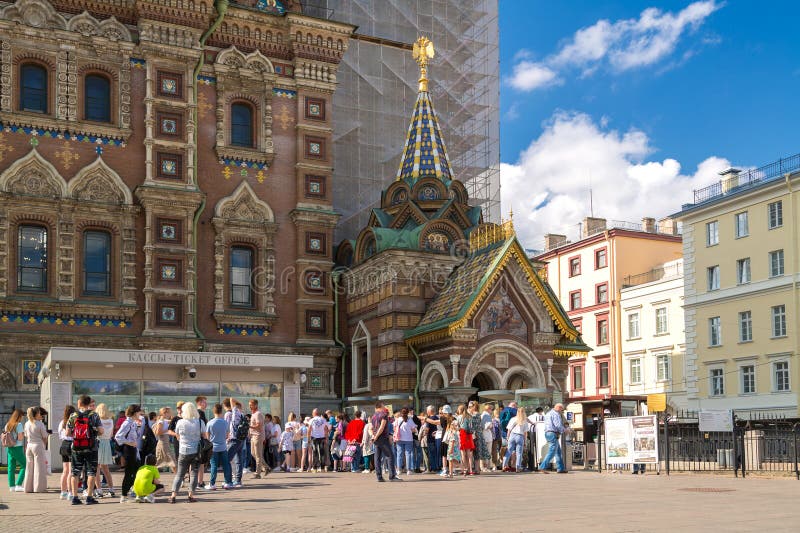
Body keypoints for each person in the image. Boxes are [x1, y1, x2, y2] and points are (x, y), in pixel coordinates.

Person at [66, 395, 104, 505]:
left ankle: (74, 497)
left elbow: (67, 433)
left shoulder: (73, 415)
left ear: (80, 403)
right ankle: (89, 497)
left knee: (75, 472)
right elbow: (101, 431)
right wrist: (94, 431)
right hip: (91, 447)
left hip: (76, 448)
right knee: (91, 472)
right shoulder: (94, 415)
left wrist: (76, 433)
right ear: (88, 404)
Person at [169, 402, 208, 503]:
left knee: (180, 474)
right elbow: (204, 436)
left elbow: (177, 436)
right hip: (196, 451)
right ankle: (191, 495)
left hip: (183, 450)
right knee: (194, 473)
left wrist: (183, 440)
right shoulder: (200, 422)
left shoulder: (180, 422)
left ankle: (173, 496)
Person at [115, 404, 144, 502]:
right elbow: (118, 436)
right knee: (129, 473)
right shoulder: (127, 423)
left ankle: (135, 493)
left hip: (134, 450)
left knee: (137, 473)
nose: (141, 413)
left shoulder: (133, 422)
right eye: (139, 412)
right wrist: (130, 443)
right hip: (129, 450)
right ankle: (123, 495)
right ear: (135, 412)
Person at [370, 402, 400, 482]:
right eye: (383, 406)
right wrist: (376, 436)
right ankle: (392, 476)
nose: (384, 408)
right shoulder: (383, 415)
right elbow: (382, 427)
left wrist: (373, 436)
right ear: (380, 407)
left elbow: (372, 428)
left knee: (377, 458)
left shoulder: (373, 416)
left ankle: (379, 477)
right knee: (390, 456)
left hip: (376, 439)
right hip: (382, 438)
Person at [206, 403, 233, 490]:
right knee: (226, 465)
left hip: (213, 448)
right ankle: (227, 483)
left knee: (213, 466)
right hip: (223, 447)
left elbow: (207, 437)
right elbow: (227, 435)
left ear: (213, 411)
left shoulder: (210, 423)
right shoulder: (225, 423)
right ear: (221, 412)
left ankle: (212, 484)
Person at [23, 406, 49, 493]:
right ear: (37, 414)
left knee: (29, 467)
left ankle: (27, 487)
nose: (40, 414)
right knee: (39, 467)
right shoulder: (40, 424)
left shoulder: (26, 423)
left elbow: (26, 435)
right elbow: (45, 436)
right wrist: (44, 444)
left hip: (29, 445)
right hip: (38, 445)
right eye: (39, 413)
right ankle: (39, 488)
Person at [94, 403, 116, 498]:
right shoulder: (111, 420)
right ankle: (111, 489)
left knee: (96, 468)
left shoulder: (97, 420)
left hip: (98, 442)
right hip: (107, 443)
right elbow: (111, 434)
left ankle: (99, 490)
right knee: (105, 468)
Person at [538, 404, 567, 474]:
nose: (561, 411)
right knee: (552, 451)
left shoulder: (548, 413)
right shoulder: (556, 414)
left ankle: (560, 468)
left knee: (558, 452)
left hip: (548, 433)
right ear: (559, 408)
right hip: (553, 433)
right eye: (562, 410)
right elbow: (557, 425)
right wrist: (565, 430)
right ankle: (542, 467)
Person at [223, 398, 245, 486]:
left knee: (227, 459)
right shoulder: (241, 413)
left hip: (233, 439)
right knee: (238, 460)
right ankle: (238, 480)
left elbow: (226, 427)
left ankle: (229, 480)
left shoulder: (230, 413)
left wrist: (226, 438)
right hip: (240, 439)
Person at [4, 408, 26, 492]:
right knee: (25, 465)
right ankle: (19, 484)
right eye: (22, 416)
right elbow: (20, 438)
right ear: (19, 416)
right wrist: (23, 434)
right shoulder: (19, 424)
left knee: (11, 467)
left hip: (9, 448)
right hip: (17, 448)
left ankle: (12, 486)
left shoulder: (8, 425)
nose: (22, 418)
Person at [503, 407, 530, 472]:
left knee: (509, 451)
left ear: (517, 412)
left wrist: (508, 437)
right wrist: (525, 442)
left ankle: (504, 466)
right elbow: (525, 433)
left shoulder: (513, 419)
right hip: (520, 436)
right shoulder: (524, 421)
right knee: (519, 453)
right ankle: (518, 468)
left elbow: (509, 429)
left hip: (512, 435)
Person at [57, 405, 76, 500]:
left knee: (65, 471)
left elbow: (60, 435)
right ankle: (70, 492)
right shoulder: (73, 422)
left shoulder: (62, 422)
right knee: (71, 471)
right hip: (71, 444)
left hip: (63, 445)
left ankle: (63, 492)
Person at [248, 399, 268, 479]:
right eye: (249, 405)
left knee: (258, 455)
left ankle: (258, 473)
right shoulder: (254, 414)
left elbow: (259, 425)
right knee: (253, 453)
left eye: (251, 405)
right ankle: (266, 467)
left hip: (258, 436)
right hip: (253, 436)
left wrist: (249, 426)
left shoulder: (258, 414)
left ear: (256, 405)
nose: (250, 406)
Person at [394, 408, 417, 476]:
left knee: (399, 455)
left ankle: (399, 470)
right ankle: (409, 470)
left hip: (399, 439)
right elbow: (413, 430)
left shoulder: (398, 419)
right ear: (407, 413)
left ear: (401, 413)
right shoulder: (410, 420)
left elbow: (394, 427)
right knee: (408, 455)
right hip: (409, 439)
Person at [153, 407, 176, 472]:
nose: (170, 413)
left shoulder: (164, 420)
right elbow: (158, 432)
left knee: (161, 461)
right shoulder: (161, 421)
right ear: (165, 413)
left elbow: (172, 421)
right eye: (169, 412)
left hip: (164, 443)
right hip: (163, 443)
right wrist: (168, 430)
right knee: (172, 461)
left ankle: (179, 477)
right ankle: (179, 477)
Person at [309, 408, 329, 473]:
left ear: (314, 413)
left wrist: (308, 438)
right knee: (322, 452)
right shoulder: (323, 420)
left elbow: (309, 429)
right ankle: (322, 468)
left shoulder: (311, 420)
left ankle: (314, 468)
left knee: (315, 452)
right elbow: (326, 429)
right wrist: (326, 438)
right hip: (322, 438)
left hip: (314, 438)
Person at [195, 396, 208, 487]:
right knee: (201, 462)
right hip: (200, 440)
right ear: (199, 403)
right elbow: (203, 429)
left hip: (194, 440)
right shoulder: (201, 413)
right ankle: (200, 482)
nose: (206, 404)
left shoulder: (194, 413)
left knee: (194, 462)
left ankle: (194, 481)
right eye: (204, 402)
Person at [480, 404, 494, 472]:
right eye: (491, 409)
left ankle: (482, 466)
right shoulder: (487, 416)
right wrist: (491, 425)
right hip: (487, 435)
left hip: (483, 435)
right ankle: (486, 467)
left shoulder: (481, 415)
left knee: (483, 452)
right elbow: (487, 426)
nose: (492, 411)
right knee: (488, 452)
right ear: (488, 409)